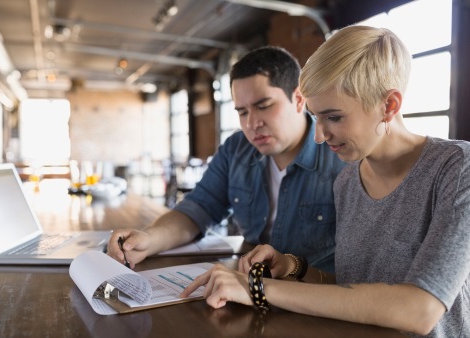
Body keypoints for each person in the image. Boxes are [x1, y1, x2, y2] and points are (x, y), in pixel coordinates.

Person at [181, 26, 470, 337]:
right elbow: (355, 294)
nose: (319, 135)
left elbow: (419, 310)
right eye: (317, 118)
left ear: (389, 106)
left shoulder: (456, 167)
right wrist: (294, 268)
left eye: (334, 117)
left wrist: (258, 289)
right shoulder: (347, 180)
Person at [107, 46, 345, 272]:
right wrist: (149, 239)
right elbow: (197, 209)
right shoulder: (236, 150)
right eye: (242, 112)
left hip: (317, 300)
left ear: (299, 99)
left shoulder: (341, 155)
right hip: (252, 289)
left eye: (263, 106)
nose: (252, 124)